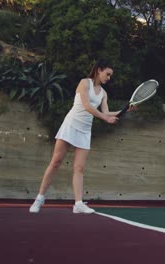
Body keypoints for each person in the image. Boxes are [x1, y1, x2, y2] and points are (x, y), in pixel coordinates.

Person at [29, 59, 133, 214]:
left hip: (85, 130)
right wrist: (105, 119)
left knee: (79, 167)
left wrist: (126, 110)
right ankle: (39, 199)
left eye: (110, 75)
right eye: (107, 74)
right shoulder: (84, 83)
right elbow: (86, 106)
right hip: (70, 125)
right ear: (99, 70)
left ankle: (78, 204)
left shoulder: (103, 94)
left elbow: (106, 112)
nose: (109, 78)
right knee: (56, 162)